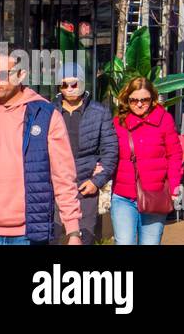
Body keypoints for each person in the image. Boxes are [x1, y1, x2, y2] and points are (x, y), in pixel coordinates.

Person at [0, 51, 82, 244]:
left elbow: (63, 176)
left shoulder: (45, 115)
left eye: (2, 74)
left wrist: (73, 230)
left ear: (21, 75)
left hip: (28, 233)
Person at [111, 77, 182, 245]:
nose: (140, 104)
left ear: (153, 99)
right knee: (124, 242)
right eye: (134, 100)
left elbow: (175, 155)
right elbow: (109, 152)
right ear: (127, 100)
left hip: (155, 195)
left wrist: (174, 188)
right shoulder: (118, 122)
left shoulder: (164, 120)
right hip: (123, 196)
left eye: (145, 99)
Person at [55, 62, 117, 244]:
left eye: (74, 84)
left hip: (85, 187)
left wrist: (97, 181)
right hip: (56, 187)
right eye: (64, 85)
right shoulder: (50, 111)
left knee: (84, 238)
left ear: (82, 83)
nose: (69, 89)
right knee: (55, 239)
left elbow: (110, 150)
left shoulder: (99, 112)